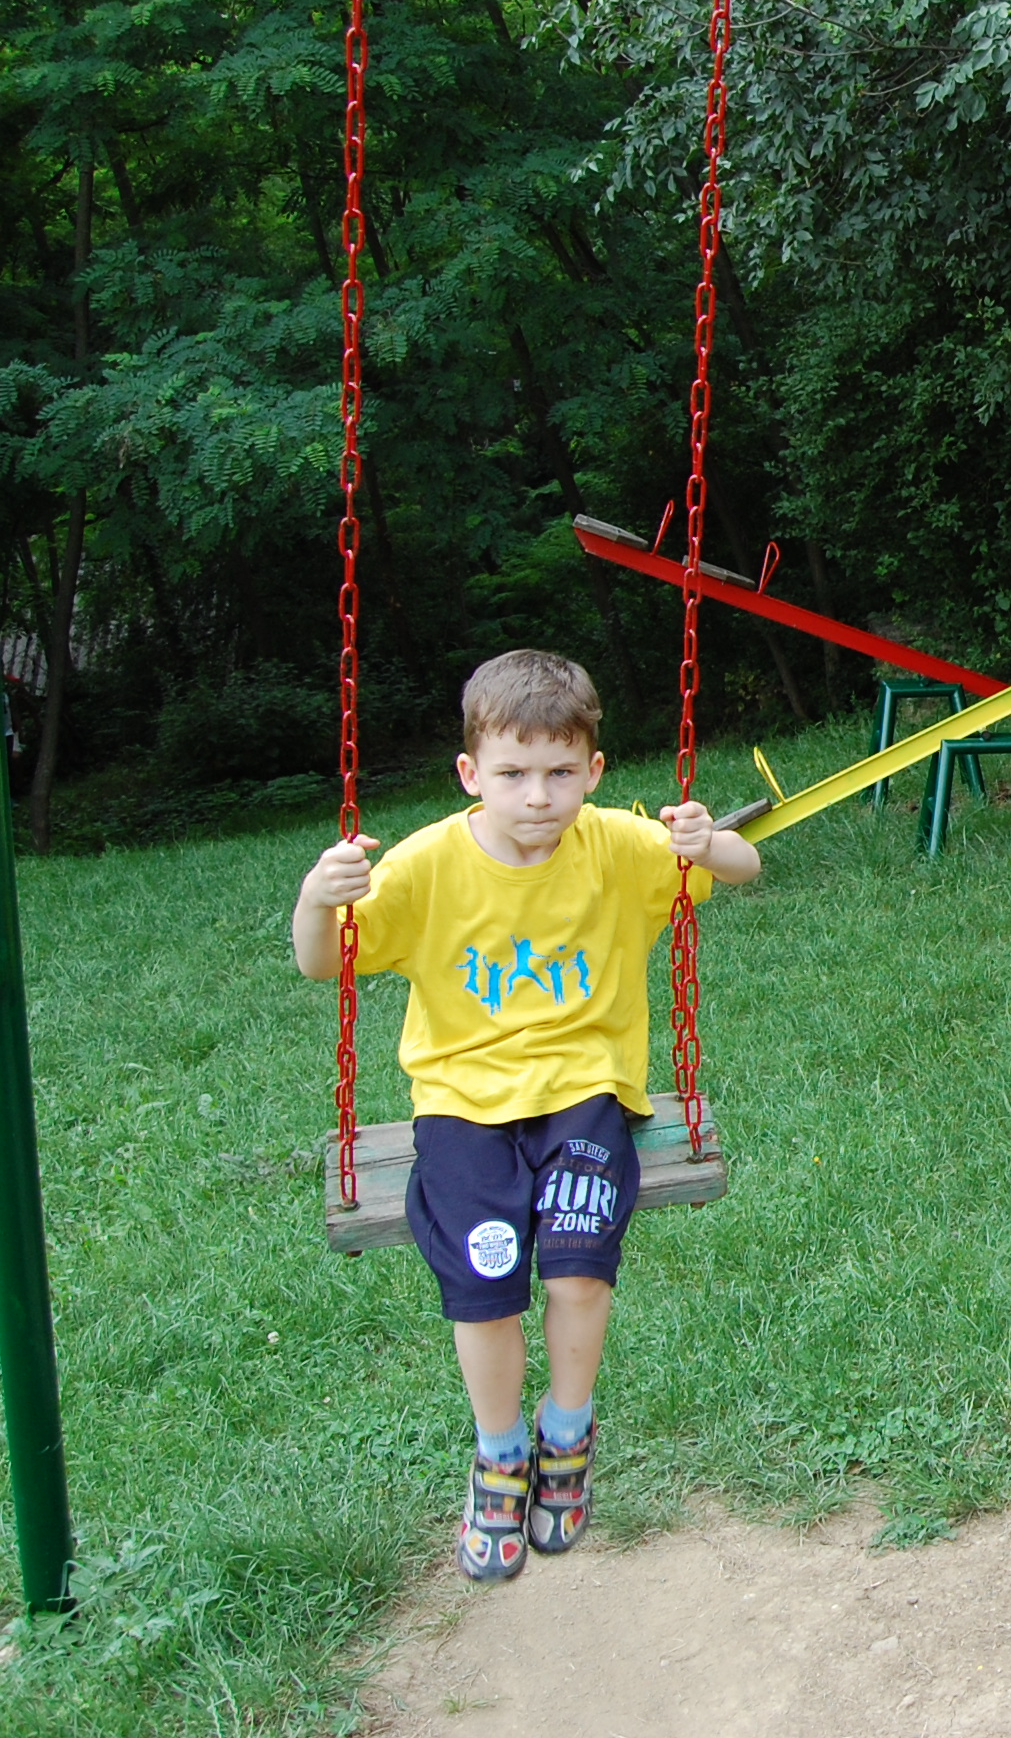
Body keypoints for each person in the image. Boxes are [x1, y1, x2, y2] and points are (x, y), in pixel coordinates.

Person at [293, 650, 762, 1578]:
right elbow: (321, 962)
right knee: (488, 1285)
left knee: (580, 1272)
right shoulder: (428, 866)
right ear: (472, 774)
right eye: (512, 774)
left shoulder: (619, 846)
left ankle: (567, 1432)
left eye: (560, 772)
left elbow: (743, 867)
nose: (538, 796)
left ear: (594, 771)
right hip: (461, 1106)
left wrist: (706, 841)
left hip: (586, 1094)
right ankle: (500, 1453)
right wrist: (317, 898)